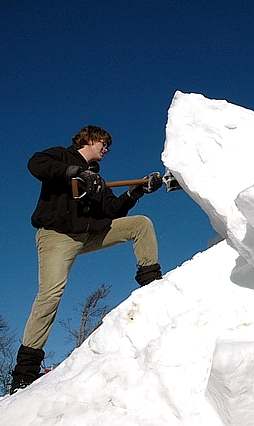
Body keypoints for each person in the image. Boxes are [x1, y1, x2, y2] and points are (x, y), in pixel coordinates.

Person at [10, 125, 164, 394]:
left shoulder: (96, 179)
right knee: (51, 295)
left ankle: (152, 287)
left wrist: (136, 191)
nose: (106, 149)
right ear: (90, 139)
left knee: (140, 224)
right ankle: (24, 372)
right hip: (57, 237)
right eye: (104, 143)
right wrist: (73, 172)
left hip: (87, 235)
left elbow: (111, 210)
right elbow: (36, 164)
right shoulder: (61, 157)